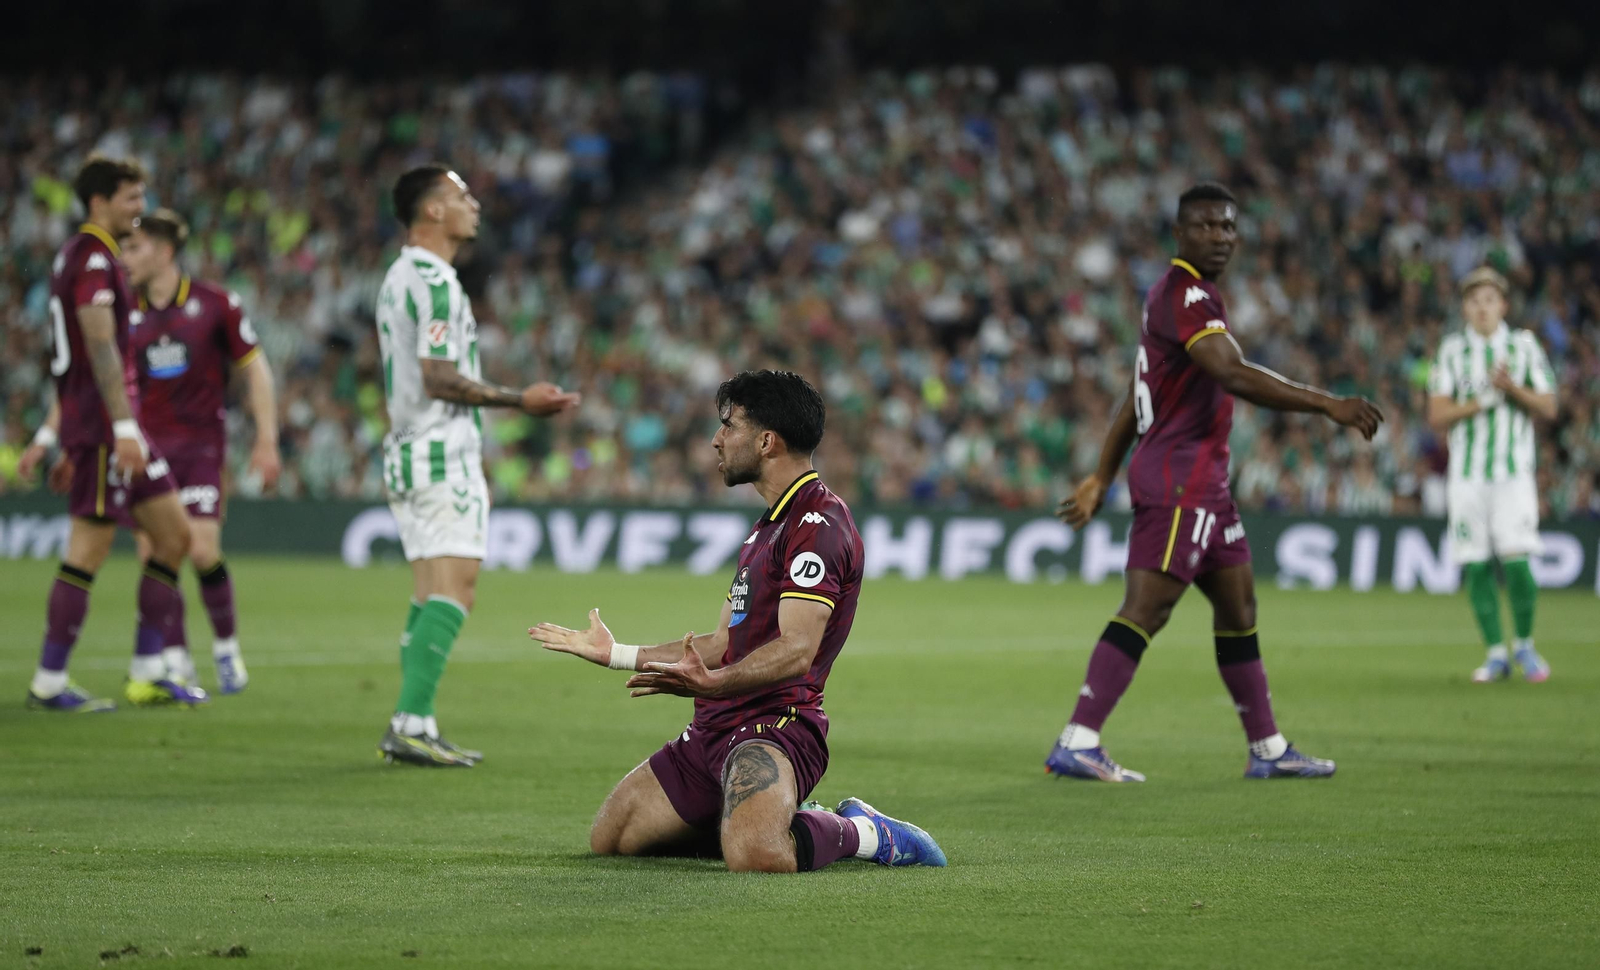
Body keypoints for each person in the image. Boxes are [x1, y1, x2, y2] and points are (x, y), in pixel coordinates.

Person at [531, 370, 946, 872]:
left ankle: (863, 832)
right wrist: (616, 654)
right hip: (713, 728)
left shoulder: (819, 525)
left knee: (756, 857)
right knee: (612, 839)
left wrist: (716, 682)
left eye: (729, 425)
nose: (716, 439)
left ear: (767, 441)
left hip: (774, 728)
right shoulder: (765, 529)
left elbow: (798, 649)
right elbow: (722, 641)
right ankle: (759, 816)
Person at [1049, 183, 1384, 782]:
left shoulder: (1185, 299)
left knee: (1239, 607)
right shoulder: (1185, 294)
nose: (1221, 237)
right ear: (1180, 234)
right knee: (1146, 609)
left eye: (1229, 227)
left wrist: (1102, 474)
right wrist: (1327, 404)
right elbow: (1232, 373)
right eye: (1206, 226)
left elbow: (1136, 396)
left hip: (1206, 485)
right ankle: (1078, 739)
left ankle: (1268, 749)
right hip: (1180, 481)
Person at [22, 209, 282, 694]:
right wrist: (54, 436)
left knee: (200, 548)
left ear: (165, 252)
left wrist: (266, 437)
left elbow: (256, 369)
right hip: (142, 446)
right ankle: (172, 659)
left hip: (203, 446)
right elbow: (94, 379)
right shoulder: (122, 311)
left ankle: (225, 648)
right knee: (157, 550)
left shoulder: (215, 303)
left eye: (136, 249)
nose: (124, 258)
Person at [375, 164, 581, 766]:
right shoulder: (435, 280)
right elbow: (439, 378)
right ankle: (411, 721)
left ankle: (413, 720)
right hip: (442, 451)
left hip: (407, 448)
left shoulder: (398, 277)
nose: (475, 205)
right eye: (462, 196)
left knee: (427, 591)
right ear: (433, 210)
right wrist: (522, 400)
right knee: (456, 589)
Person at [24, 156, 204, 711]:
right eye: (132, 197)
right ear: (101, 201)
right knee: (90, 546)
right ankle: (49, 680)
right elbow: (99, 347)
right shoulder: (95, 259)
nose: (142, 209)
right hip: (106, 429)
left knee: (175, 537)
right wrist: (118, 428)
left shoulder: (83, 256)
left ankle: (148, 670)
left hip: (106, 426)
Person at [1427, 266, 1558, 683]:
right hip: (1466, 479)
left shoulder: (1523, 347)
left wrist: (1511, 389)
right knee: (1476, 564)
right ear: (1465, 308)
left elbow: (1550, 407)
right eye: (1473, 300)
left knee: (1517, 562)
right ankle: (1496, 653)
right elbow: (1436, 415)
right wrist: (1478, 404)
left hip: (1513, 474)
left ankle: (1525, 645)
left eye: (1489, 300)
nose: (1482, 308)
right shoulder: (1451, 351)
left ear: (1503, 305)